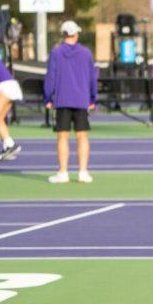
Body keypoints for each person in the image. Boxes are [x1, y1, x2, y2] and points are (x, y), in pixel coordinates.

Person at [43, 20, 98, 184]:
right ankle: (83, 172)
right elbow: (92, 77)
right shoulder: (86, 53)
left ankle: (63, 172)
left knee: (62, 137)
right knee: (82, 136)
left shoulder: (56, 52)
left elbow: (50, 76)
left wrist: (48, 97)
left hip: (62, 100)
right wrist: (93, 97)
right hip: (81, 99)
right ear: (76, 34)